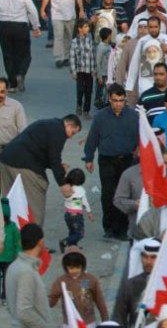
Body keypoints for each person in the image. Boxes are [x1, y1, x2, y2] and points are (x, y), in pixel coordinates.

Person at [0, 114, 81, 227]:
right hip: (23, 164)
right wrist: (63, 184)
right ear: (67, 124)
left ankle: (7, 238)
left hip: (5, 159)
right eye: (72, 133)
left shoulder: (49, 123)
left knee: (9, 203)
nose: (71, 137)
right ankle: (35, 241)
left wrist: (54, 166)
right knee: (36, 198)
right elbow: (54, 158)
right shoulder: (59, 131)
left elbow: (40, 151)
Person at [83, 83, 138, 240]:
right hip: (106, 160)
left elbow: (142, 136)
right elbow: (93, 138)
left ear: (125, 100)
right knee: (108, 194)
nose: (118, 104)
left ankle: (122, 228)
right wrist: (88, 158)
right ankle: (109, 227)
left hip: (127, 160)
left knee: (124, 194)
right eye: (115, 100)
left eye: (121, 100)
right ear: (109, 99)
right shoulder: (100, 117)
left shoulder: (134, 117)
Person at [0, 0, 40, 92]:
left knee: (8, 55)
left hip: (4, 25)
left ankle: (12, 84)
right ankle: (21, 74)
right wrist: (36, 26)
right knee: (24, 54)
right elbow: (32, 10)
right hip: (20, 26)